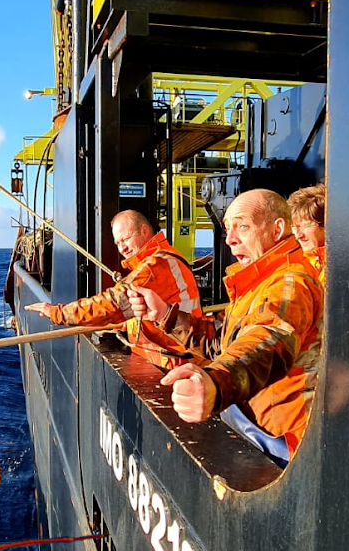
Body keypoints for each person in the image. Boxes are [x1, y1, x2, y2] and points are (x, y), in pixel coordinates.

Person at [126, 189, 323, 464]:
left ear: (277, 229)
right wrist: (165, 316)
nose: (230, 239)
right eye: (228, 229)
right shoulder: (259, 281)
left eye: (243, 226)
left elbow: (269, 340)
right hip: (257, 427)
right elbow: (221, 344)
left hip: (281, 445)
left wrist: (216, 382)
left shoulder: (290, 283)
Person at [25, 210, 201, 369]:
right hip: (172, 358)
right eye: (118, 243)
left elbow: (113, 303)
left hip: (173, 363)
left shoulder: (156, 266)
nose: (122, 248)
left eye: (125, 239)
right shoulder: (164, 258)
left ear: (144, 231)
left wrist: (59, 313)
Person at [288, 183, 326, 287]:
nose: (298, 235)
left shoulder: (343, 265)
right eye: (293, 226)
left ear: (325, 223)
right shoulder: (290, 264)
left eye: (306, 225)